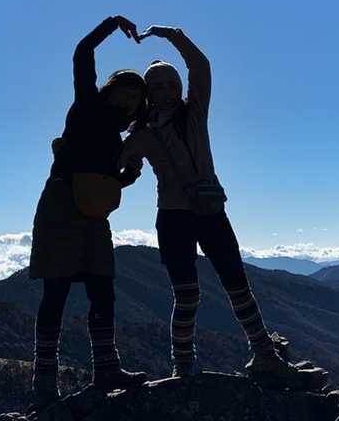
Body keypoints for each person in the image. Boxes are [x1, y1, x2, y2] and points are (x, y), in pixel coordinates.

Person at [122, 24, 321, 388]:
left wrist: (173, 35)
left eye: (171, 84)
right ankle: (184, 365)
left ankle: (263, 354)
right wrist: (121, 173)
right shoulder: (142, 135)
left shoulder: (194, 113)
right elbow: (116, 163)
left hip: (209, 211)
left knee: (237, 285)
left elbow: (200, 66)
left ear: (179, 86)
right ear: (149, 95)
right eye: (158, 87)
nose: (166, 91)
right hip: (176, 218)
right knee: (187, 294)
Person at [28, 15, 146, 405]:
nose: (128, 100)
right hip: (62, 207)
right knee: (56, 290)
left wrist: (126, 178)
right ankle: (45, 380)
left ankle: (106, 369)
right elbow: (82, 52)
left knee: (103, 289)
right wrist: (112, 24)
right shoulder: (87, 106)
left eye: (135, 98)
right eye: (124, 91)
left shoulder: (117, 139)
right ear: (110, 91)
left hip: (92, 214)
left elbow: (100, 182)